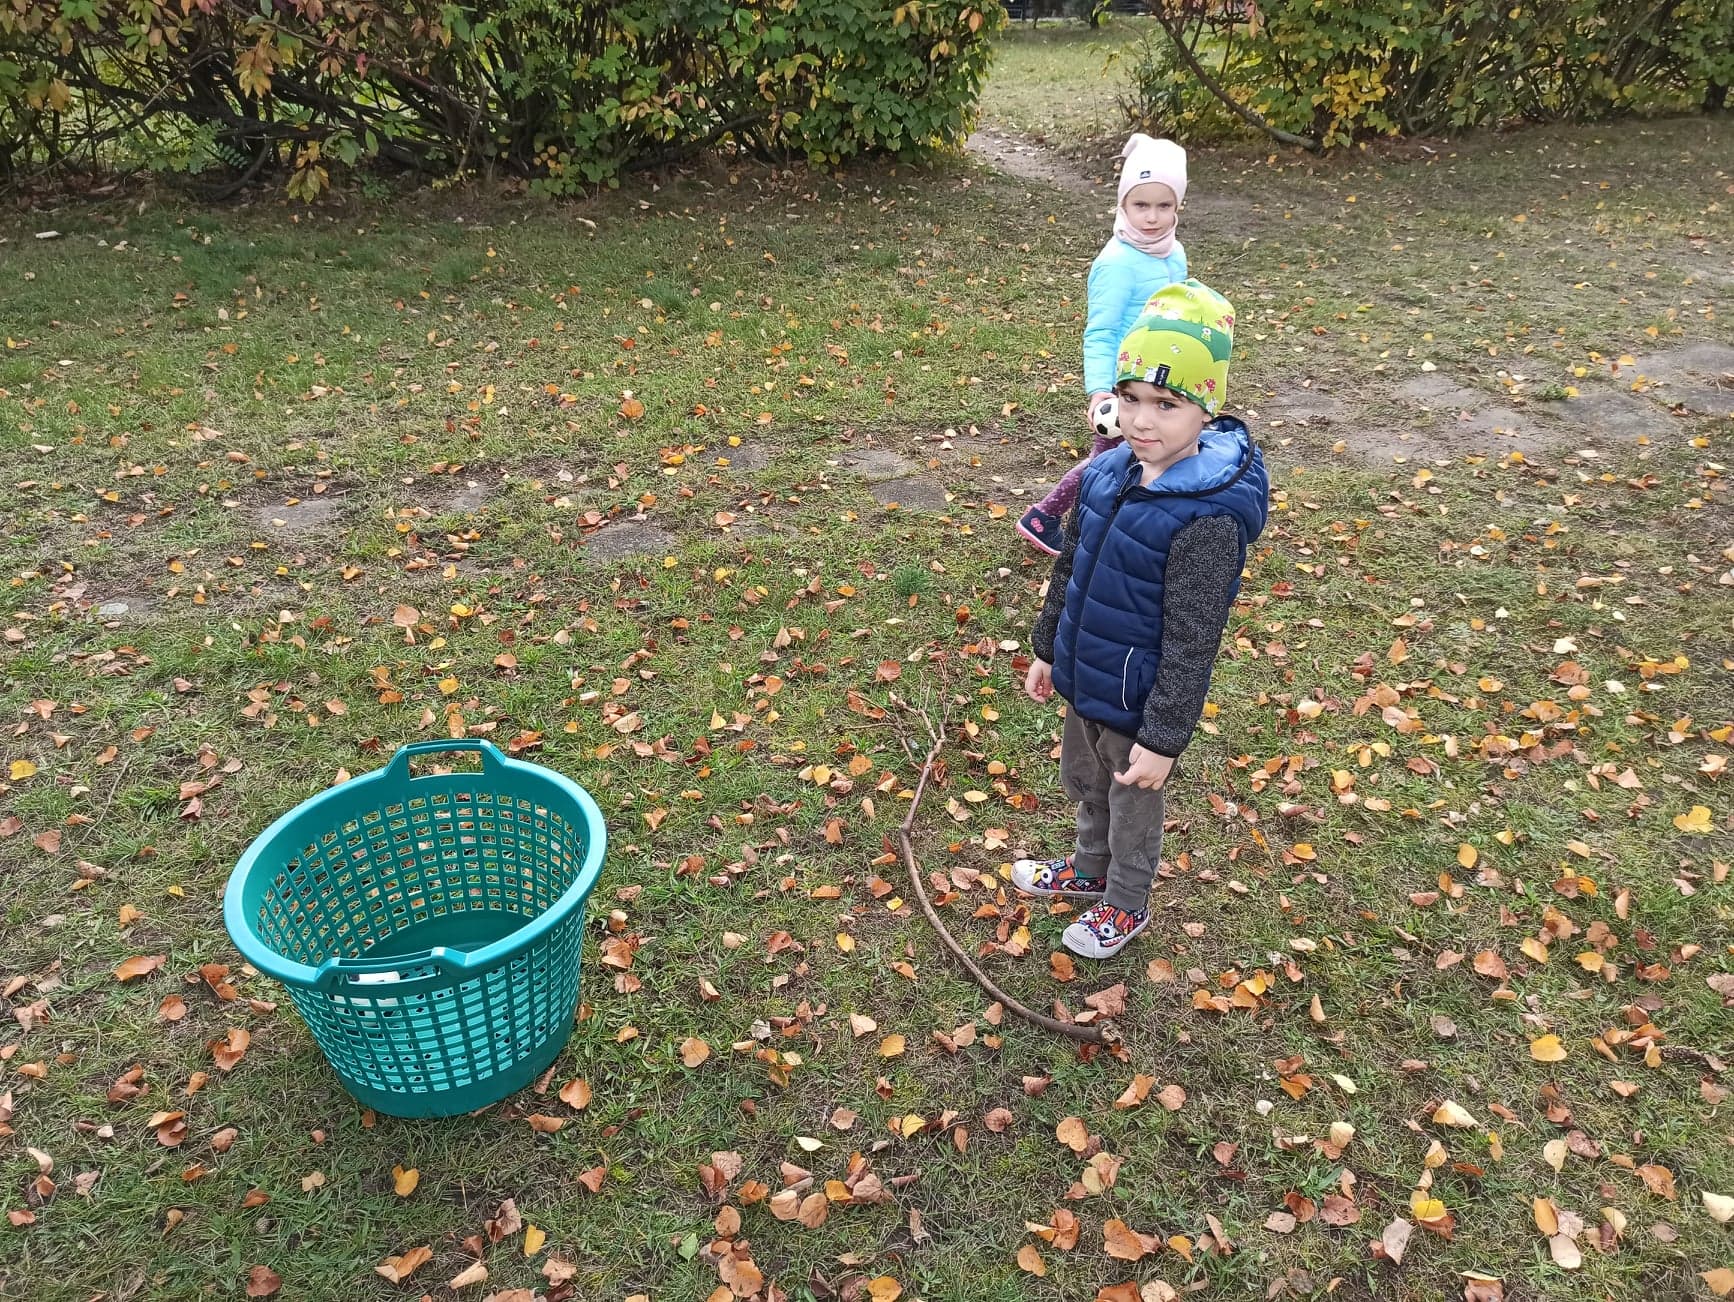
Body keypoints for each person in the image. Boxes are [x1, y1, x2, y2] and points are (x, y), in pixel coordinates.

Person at [1014, 281, 1268, 959]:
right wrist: (1048, 648)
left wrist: (1163, 739)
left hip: (1141, 702)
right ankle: (1087, 869)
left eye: (1166, 403)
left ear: (1206, 411)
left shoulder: (1207, 519)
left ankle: (1125, 902)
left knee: (1130, 802)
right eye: (1129, 398)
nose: (1141, 420)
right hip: (1086, 674)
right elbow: (1070, 568)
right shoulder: (1105, 475)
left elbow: (1193, 641)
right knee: (1086, 782)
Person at [1017, 133, 1190, 556]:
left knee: (1144, 454)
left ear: (1178, 206)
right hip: (1124, 383)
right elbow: (1101, 331)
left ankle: (1126, 521)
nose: (1152, 217)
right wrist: (1100, 390)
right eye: (1141, 205)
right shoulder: (1117, 263)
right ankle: (1045, 516)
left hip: (1159, 376)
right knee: (1107, 461)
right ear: (1122, 204)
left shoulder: (1173, 253)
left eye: (1164, 205)